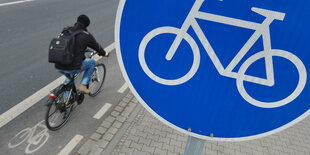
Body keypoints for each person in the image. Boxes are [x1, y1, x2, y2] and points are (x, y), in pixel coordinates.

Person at [55, 14, 109, 94]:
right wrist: (104, 53)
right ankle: (83, 85)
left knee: (69, 77)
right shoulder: (86, 35)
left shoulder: (66, 30)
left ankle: (65, 100)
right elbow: (97, 47)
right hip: (72, 66)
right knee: (92, 63)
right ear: (86, 26)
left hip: (58, 64)